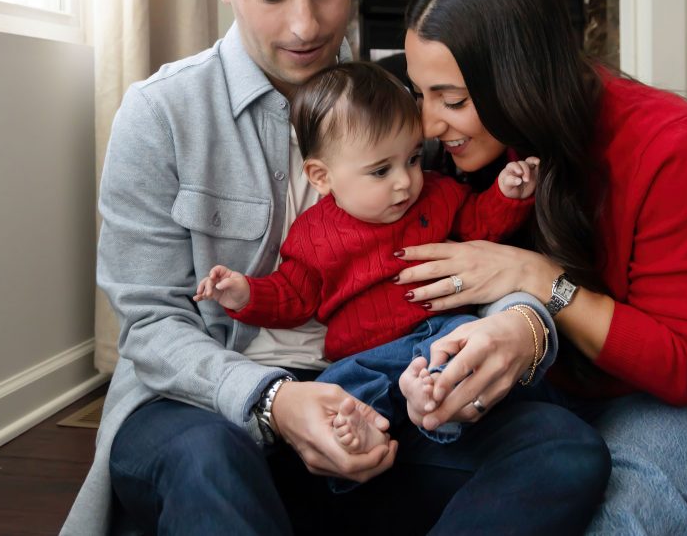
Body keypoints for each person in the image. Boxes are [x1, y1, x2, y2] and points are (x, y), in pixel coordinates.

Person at [63, 0, 609, 534]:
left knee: (562, 448)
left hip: (387, 393)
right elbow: (149, 323)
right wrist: (274, 401)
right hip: (208, 406)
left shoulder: (409, 107)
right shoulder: (160, 114)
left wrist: (520, 322)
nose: (305, 23)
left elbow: (486, 247)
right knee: (208, 464)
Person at [394, 0, 687, 535]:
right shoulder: (473, 158)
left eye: (453, 101)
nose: (428, 124)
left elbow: (685, 366)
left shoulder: (670, 145)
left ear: (518, 80)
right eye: (421, 95)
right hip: (559, 403)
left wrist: (537, 278)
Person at [194, 61, 541, 455]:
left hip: (440, 328)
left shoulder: (438, 194)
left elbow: (480, 224)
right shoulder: (314, 234)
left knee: (466, 349)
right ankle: (362, 437)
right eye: (380, 171)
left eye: (412, 158)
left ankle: (430, 400)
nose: (405, 182)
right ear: (321, 177)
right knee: (342, 389)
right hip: (363, 354)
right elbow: (294, 294)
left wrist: (507, 195)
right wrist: (244, 295)